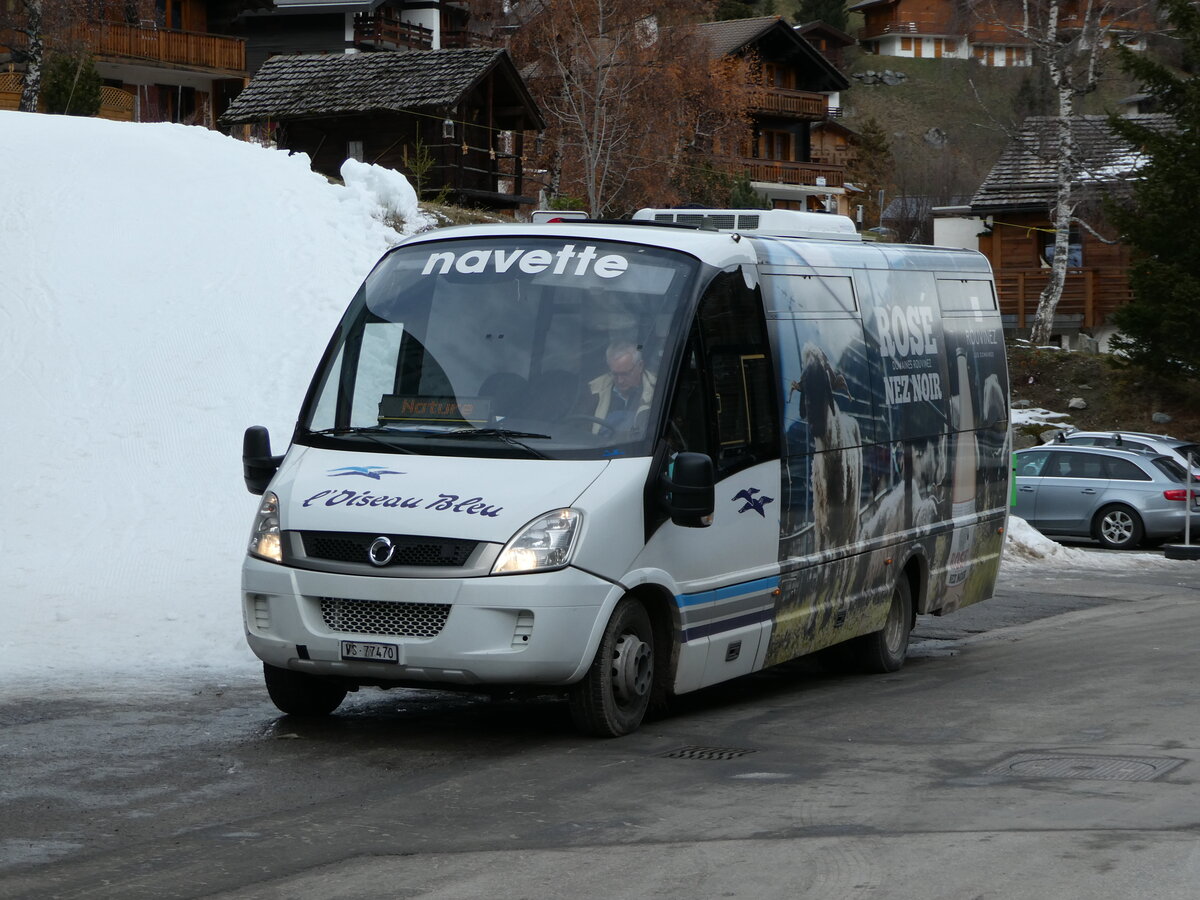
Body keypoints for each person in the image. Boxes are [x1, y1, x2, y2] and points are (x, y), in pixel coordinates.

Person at [586, 341, 655, 434]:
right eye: (615, 374)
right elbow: (579, 429)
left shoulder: (656, 391)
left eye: (625, 374)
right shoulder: (594, 390)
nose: (620, 380)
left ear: (640, 366)